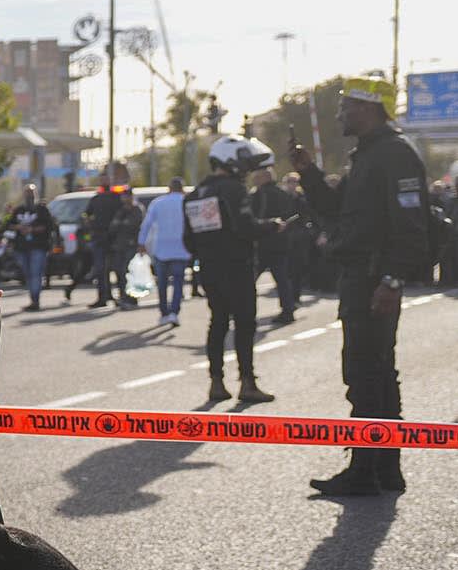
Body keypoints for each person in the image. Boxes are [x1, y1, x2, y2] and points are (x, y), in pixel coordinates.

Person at [295, 78, 434, 497]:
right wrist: (308, 172)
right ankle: (384, 469)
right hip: (363, 277)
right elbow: (338, 211)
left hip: (375, 280)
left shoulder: (394, 154)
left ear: (370, 109)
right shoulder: (369, 155)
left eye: (347, 107)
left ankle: (367, 469)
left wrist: (392, 280)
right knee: (374, 373)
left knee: (367, 375)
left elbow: (412, 225)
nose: (340, 114)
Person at [182, 138, 278, 407]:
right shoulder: (233, 190)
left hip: (210, 270)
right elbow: (246, 227)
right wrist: (270, 226)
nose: (246, 167)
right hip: (237, 267)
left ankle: (216, 382)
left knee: (218, 322)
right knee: (245, 324)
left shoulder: (195, 194)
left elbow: (188, 241)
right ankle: (247, 383)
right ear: (229, 160)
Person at [249, 165, 302, 323]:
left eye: (257, 177)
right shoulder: (283, 194)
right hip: (281, 243)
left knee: (250, 279)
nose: (254, 179)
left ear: (264, 178)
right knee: (282, 279)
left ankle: (242, 310)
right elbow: (294, 215)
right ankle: (288, 311)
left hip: (263, 242)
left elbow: (254, 218)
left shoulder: (259, 194)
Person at [135, 177, 191, 327]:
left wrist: (141, 242)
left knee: (162, 282)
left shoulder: (158, 203)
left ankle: (164, 312)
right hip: (182, 248)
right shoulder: (187, 202)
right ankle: (174, 312)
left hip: (161, 248)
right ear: (182, 188)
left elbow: (146, 224)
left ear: (169, 188)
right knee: (178, 281)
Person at [82, 164, 140, 307]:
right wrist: (89, 224)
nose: (104, 182)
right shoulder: (96, 199)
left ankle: (123, 296)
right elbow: (86, 215)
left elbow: (127, 214)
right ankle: (104, 297)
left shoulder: (117, 198)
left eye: (107, 179)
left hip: (115, 240)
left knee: (119, 270)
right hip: (99, 238)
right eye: (102, 179)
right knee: (100, 270)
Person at [4, 184, 56, 312]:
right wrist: (19, 228)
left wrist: (32, 229)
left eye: (31, 193)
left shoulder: (42, 209)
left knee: (36, 273)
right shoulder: (19, 210)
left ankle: (35, 300)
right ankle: (33, 297)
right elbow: (9, 224)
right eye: (27, 193)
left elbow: (49, 226)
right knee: (28, 274)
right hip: (21, 248)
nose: (29, 196)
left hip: (38, 247)